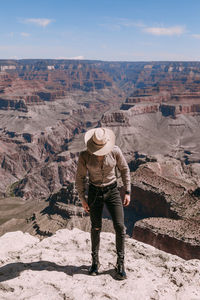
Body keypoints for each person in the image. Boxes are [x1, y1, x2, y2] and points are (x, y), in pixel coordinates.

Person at [75, 127, 131, 280]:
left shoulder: (115, 151)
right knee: (96, 226)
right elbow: (79, 178)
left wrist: (128, 191)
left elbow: (125, 170)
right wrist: (82, 199)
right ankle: (95, 262)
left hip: (112, 191)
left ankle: (120, 264)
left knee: (120, 226)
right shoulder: (85, 155)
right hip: (94, 193)